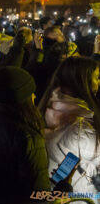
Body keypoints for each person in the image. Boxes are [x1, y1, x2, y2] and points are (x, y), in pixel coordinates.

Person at [0, 66, 51, 203]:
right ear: (22, 98)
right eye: (31, 92)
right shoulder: (28, 138)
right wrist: (64, 188)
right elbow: (39, 197)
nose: (35, 96)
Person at [39, 57, 100, 198]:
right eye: (96, 77)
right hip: (77, 193)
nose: (99, 82)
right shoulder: (80, 125)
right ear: (81, 81)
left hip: (53, 186)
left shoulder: (50, 105)